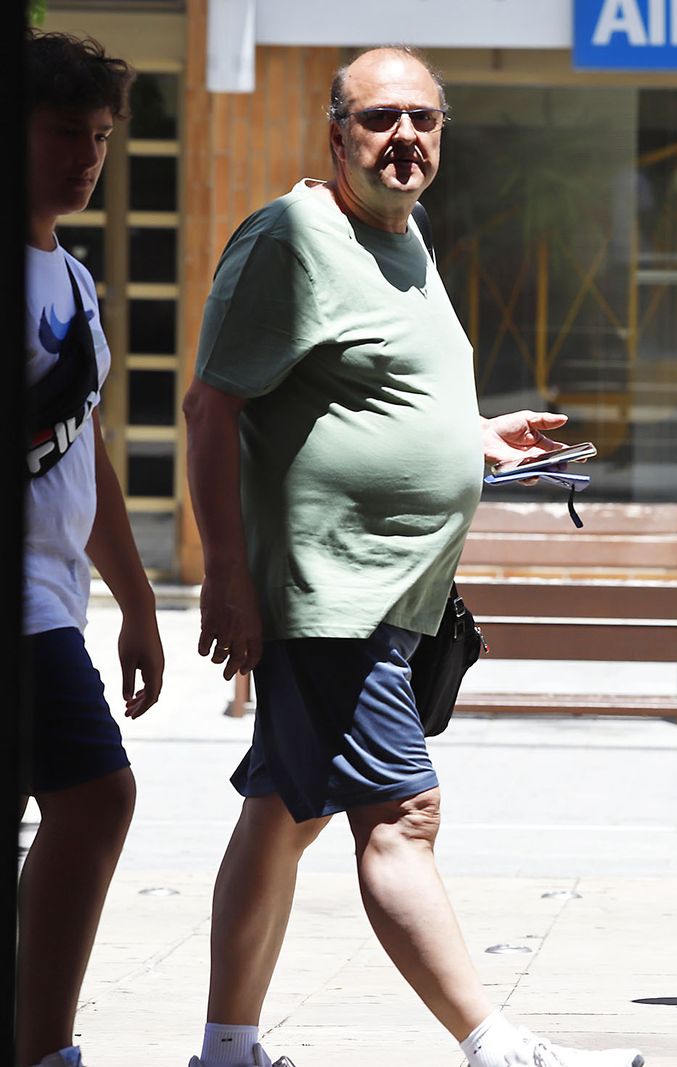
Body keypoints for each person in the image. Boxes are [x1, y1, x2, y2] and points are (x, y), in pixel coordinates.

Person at [180, 46, 643, 1067]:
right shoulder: (291, 236)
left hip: (396, 593)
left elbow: (364, 393)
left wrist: (471, 436)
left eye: (423, 120)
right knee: (401, 812)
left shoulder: (407, 234)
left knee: (284, 811)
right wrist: (225, 574)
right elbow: (212, 406)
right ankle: (494, 1042)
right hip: (330, 589)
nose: (405, 139)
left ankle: (225, 1047)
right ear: (335, 131)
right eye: (381, 119)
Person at [20, 30, 166, 1067]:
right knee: (96, 793)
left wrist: (139, 600)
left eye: (102, 137)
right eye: (65, 130)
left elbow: (88, 450)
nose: (87, 156)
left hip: (58, 599)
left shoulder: (71, 281)